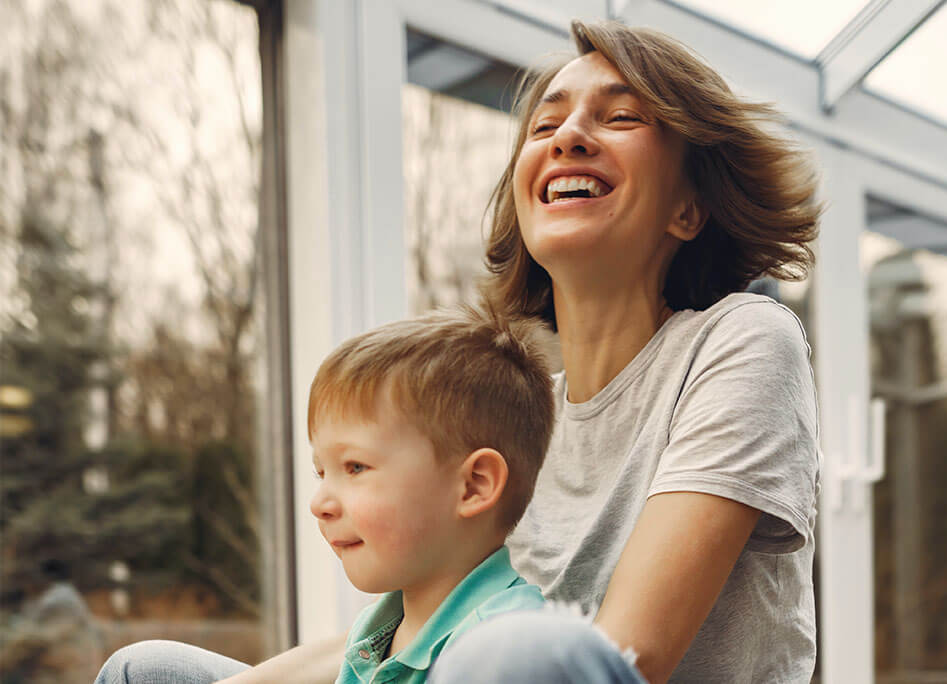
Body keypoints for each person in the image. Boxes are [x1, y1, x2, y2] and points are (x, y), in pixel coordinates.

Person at [96, 17, 821, 684]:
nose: (567, 135)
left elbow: (634, 650)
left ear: (689, 209)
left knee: (519, 652)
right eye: (546, 123)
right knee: (147, 670)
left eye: (621, 116)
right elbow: (420, 635)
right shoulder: (525, 416)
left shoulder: (742, 340)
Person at [96, 306, 557, 684]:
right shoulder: (386, 623)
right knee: (142, 669)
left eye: (355, 467)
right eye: (321, 471)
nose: (319, 502)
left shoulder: (506, 648)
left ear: (473, 485)